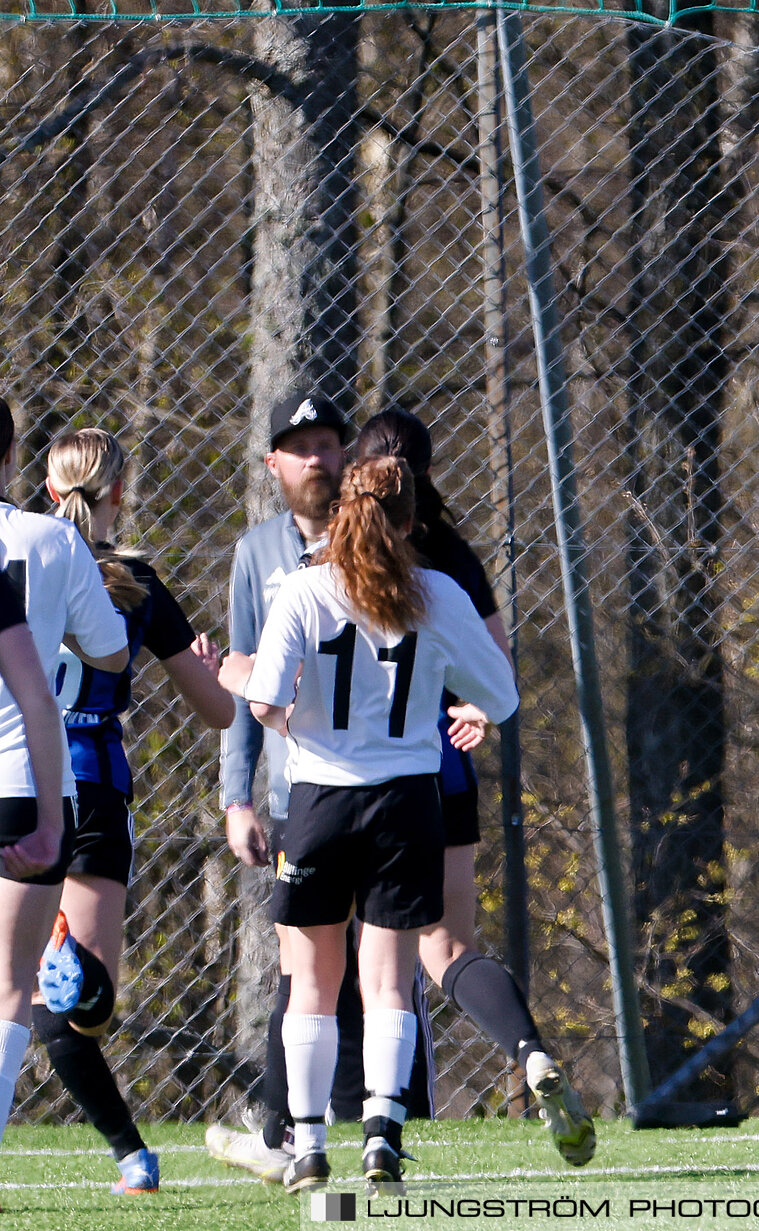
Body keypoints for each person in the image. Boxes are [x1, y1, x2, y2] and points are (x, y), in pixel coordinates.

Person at [245, 455, 518, 1192]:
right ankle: (382, 1137)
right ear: (411, 520)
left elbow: (265, 702)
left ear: (342, 512)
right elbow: (500, 692)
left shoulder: (303, 588)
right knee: (389, 982)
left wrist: (295, 707)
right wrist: (464, 705)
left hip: (321, 801)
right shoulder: (436, 592)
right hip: (406, 803)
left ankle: (306, 1146)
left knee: (311, 979)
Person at [346, 409, 592, 1165]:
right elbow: (494, 660)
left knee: (334, 953)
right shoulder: (450, 553)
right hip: (442, 767)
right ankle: (529, 1049)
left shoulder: (336, 556)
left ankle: (315, 1122)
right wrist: (476, 709)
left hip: (356, 772)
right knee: (446, 946)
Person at [207, 390, 431, 1182]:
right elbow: (249, 692)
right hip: (297, 794)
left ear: (349, 460)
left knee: (378, 972)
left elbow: (256, 681)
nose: (317, 458)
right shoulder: (259, 556)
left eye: (329, 443)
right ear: (273, 462)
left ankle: (374, 1123)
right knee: (304, 970)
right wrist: (238, 794)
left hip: (370, 784)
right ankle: (294, 1129)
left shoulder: (402, 558)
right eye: (299, 446)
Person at [31, 429, 234, 1195]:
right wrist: (214, 671)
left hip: (22, 778)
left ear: (50, 490)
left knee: (34, 997)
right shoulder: (138, 582)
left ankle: (133, 1154)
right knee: (84, 1006)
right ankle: (131, 1156)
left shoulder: (21, 563)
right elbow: (216, 711)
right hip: (96, 789)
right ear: (119, 492)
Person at [0, 401, 132, 1164]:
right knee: (13, 984)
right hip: (22, 776)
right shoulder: (49, 539)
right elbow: (109, 652)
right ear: (14, 453)